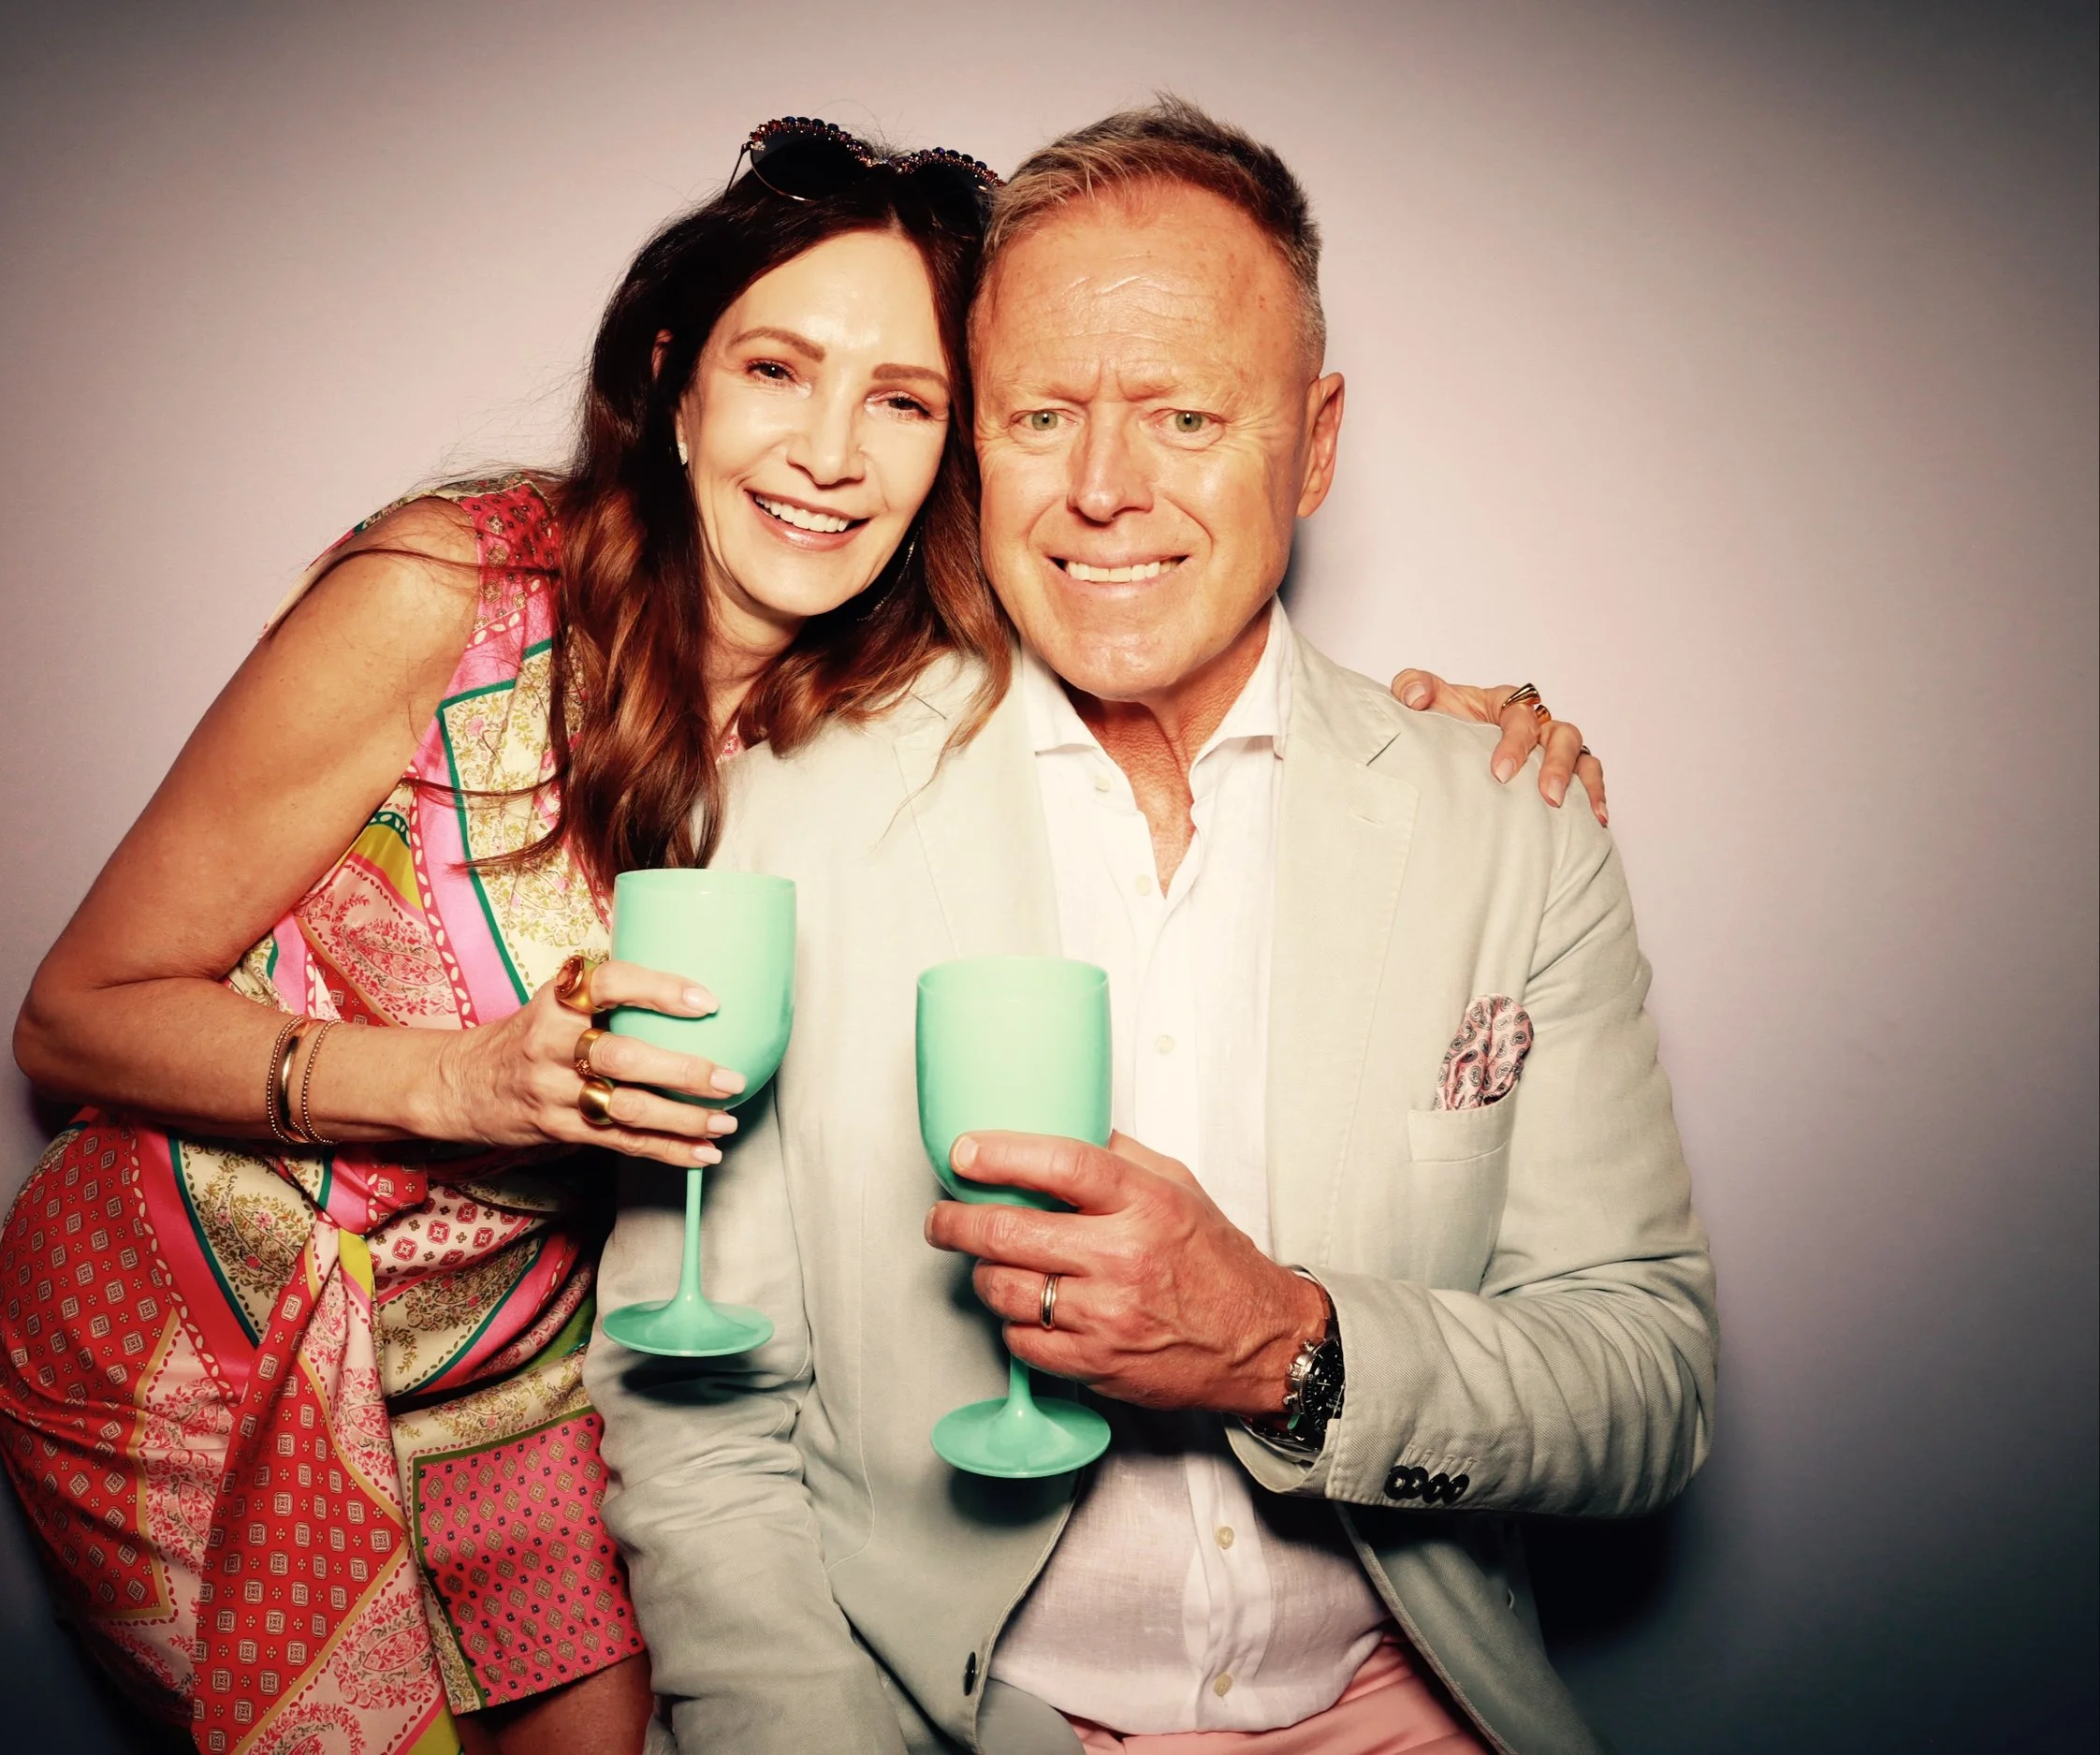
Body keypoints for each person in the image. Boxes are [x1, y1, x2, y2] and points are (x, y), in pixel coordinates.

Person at [0, 116, 1606, 1755]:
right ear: (681, 383)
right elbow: (76, 1015)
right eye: (778, 369)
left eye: (903, 401)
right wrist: (468, 1083)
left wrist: (1446, 738)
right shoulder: (446, 594)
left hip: (515, 1357)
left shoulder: (899, 692)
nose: (831, 450)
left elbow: (1178, 643)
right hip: (204, 1318)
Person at [588, 99, 1713, 1755]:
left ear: (1315, 443)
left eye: (1185, 415)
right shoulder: (789, 812)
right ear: (979, 442)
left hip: (1404, 1704)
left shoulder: (1513, 823)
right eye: (1042, 415)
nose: (1102, 491)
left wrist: (1284, 1345)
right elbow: (700, 1410)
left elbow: (1648, 1376)